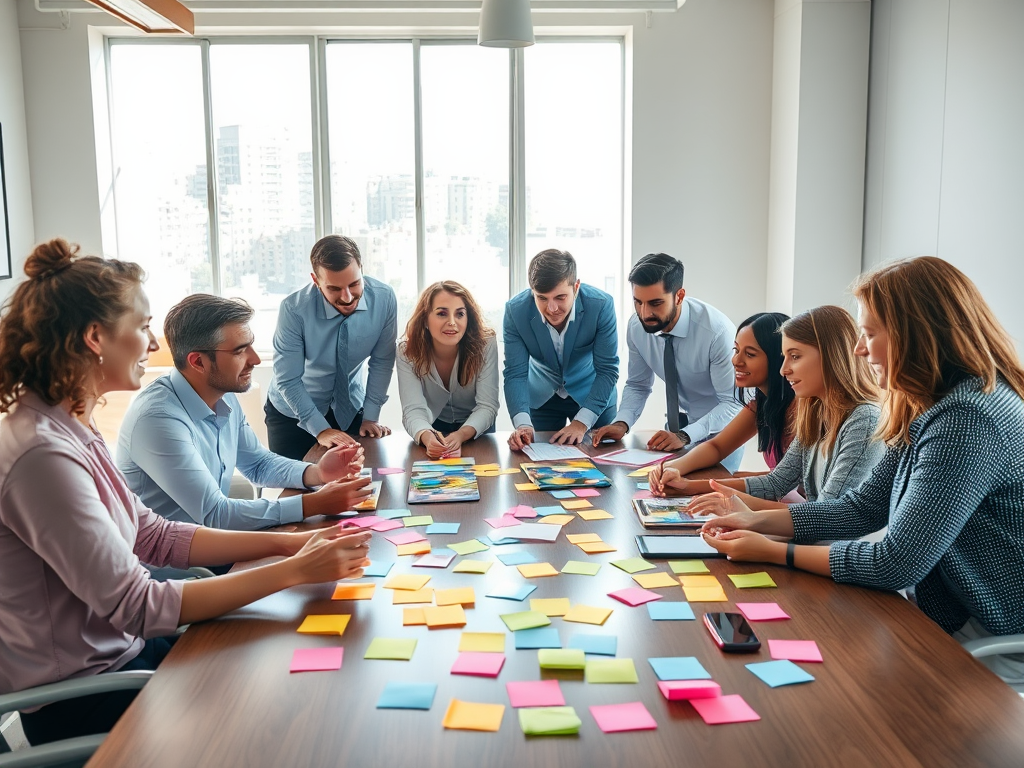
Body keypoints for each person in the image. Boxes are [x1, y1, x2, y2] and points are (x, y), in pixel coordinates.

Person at [0, 240, 372, 746]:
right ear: (95, 338)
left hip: (130, 657)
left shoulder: (69, 424)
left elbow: (155, 536)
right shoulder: (41, 454)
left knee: (296, 688)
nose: (154, 345)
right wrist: (294, 570)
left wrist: (291, 545)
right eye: (142, 326)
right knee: (280, 725)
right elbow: (138, 605)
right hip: (89, 694)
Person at [701, 256, 1024, 681]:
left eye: (869, 334)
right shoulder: (930, 404)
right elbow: (863, 507)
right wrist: (756, 519)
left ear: (916, 335)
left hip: (981, 630)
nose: (859, 349)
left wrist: (774, 550)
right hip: (937, 608)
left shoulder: (966, 418)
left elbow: (897, 562)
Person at [117, 294, 372, 531]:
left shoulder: (221, 391)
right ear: (198, 362)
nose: (255, 360)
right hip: (178, 572)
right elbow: (215, 514)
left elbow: (258, 464)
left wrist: (317, 473)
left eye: (250, 346)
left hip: (216, 548)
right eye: (240, 351)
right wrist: (315, 503)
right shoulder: (157, 419)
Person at [667, 306, 883, 508]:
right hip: (809, 527)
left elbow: (825, 514)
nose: (784, 369)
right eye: (736, 350)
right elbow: (776, 482)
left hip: (822, 537)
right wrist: (686, 485)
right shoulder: (814, 409)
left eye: (794, 357)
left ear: (830, 357)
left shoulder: (862, 419)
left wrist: (731, 504)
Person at [592, 252, 744, 471]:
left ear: (679, 296)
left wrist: (685, 435)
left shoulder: (716, 332)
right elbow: (638, 384)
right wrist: (621, 423)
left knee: (709, 496)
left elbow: (732, 403)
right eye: (638, 302)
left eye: (655, 303)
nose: (645, 313)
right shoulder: (637, 327)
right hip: (678, 428)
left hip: (722, 432)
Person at [265, 235, 397, 460]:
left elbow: (382, 361)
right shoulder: (293, 310)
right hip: (294, 414)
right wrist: (320, 429)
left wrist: (371, 416)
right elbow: (288, 380)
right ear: (316, 280)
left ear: (361, 269)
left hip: (349, 410)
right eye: (335, 288)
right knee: (297, 490)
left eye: (354, 284)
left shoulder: (384, 299)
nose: (347, 297)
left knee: (362, 483)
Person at [648, 312, 796, 495]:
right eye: (736, 350)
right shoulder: (761, 404)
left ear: (777, 359)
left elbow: (783, 484)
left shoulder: (799, 410)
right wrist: (672, 467)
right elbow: (717, 446)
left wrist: (688, 486)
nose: (736, 361)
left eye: (749, 354)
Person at [504, 249, 618, 449]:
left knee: (603, 464)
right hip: (542, 397)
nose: (552, 308)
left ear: (576, 286)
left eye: (560, 297)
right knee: (537, 462)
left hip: (592, 394)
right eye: (542, 298)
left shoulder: (601, 306)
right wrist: (523, 424)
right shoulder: (515, 311)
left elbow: (607, 370)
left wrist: (581, 423)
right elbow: (515, 373)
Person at [397, 281, 499, 458]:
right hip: (433, 428)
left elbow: (487, 406)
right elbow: (413, 409)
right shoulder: (406, 351)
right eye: (442, 314)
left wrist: (461, 435)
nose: (452, 322)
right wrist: (427, 437)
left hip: (477, 430)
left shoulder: (486, 344)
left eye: (460, 314)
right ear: (425, 320)